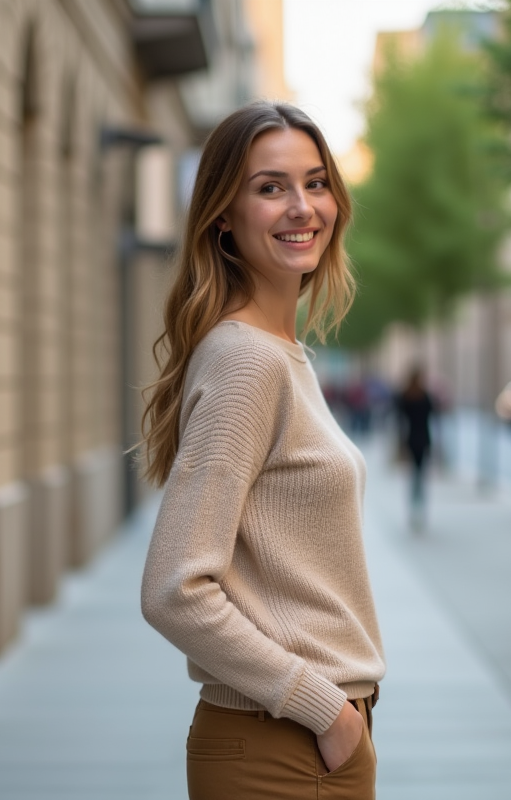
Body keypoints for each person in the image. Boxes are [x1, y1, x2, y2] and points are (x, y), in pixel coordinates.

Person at [139, 101, 385, 800]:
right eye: (270, 187)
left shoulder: (280, 354)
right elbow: (173, 590)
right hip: (284, 749)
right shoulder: (248, 363)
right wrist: (324, 708)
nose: (302, 207)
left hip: (304, 742)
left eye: (315, 183)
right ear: (223, 214)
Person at [395, 367, 436, 530]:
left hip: (411, 438)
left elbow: (399, 420)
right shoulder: (425, 396)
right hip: (423, 438)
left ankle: (413, 510)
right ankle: (420, 510)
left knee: (413, 476)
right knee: (420, 475)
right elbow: (433, 415)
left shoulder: (404, 395)